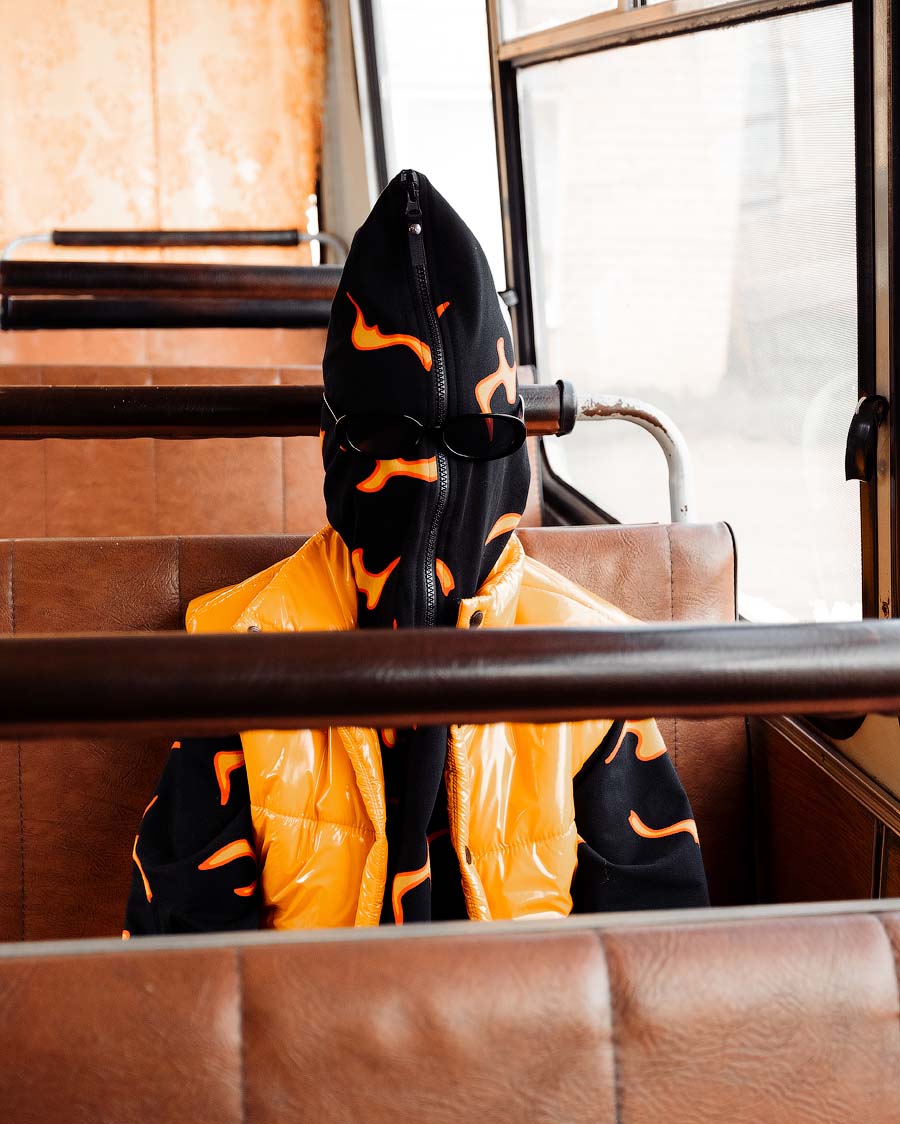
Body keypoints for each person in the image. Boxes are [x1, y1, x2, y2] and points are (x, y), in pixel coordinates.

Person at [124, 169, 708, 936]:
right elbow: (180, 953)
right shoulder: (239, 660)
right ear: (338, 446)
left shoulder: (590, 665)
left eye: (473, 437)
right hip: (316, 1013)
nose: (428, 474)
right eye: (388, 438)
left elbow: (660, 947)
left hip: (526, 1014)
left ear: (511, 446)